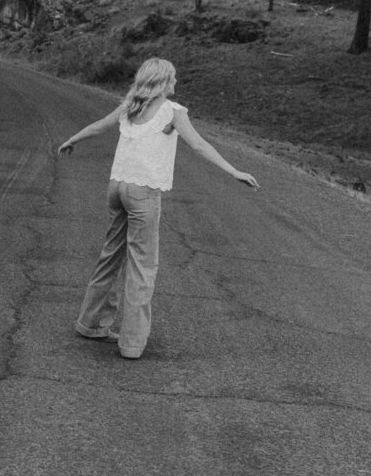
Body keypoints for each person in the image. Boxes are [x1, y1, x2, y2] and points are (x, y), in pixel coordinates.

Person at [58, 56, 258, 360]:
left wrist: (73, 139)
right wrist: (234, 171)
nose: (176, 83)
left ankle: (91, 323)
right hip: (142, 193)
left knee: (111, 255)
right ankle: (132, 344)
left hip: (117, 187)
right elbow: (200, 145)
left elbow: (100, 127)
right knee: (143, 266)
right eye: (173, 78)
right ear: (163, 81)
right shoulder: (172, 112)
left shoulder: (130, 105)